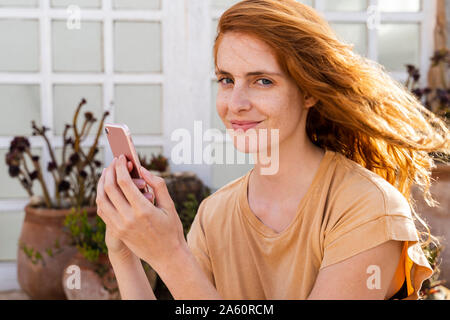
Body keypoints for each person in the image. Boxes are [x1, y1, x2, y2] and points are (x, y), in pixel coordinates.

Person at [96, 0, 449, 300]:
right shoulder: (213, 215)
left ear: (309, 91)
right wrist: (126, 252)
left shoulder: (368, 208)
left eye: (262, 80)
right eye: (226, 80)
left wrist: (171, 255)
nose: (235, 103)